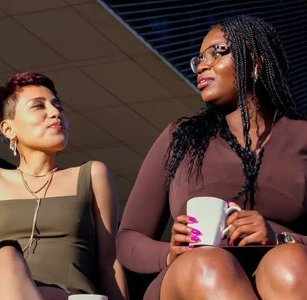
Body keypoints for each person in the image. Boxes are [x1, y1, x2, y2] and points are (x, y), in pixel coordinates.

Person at [116, 15, 307, 300]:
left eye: (216, 52)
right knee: (209, 263)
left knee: (289, 262)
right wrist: (168, 253)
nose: (202, 64)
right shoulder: (180, 137)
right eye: (199, 58)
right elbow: (128, 237)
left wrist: (280, 237)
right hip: (191, 275)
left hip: (283, 273)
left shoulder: (302, 136)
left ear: (255, 62)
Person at [0, 72, 128, 300]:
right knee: (5, 256)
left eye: (58, 106)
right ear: (8, 128)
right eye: (38, 106)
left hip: (65, 295)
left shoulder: (92, 175)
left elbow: (109, 262)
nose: (55, 113)